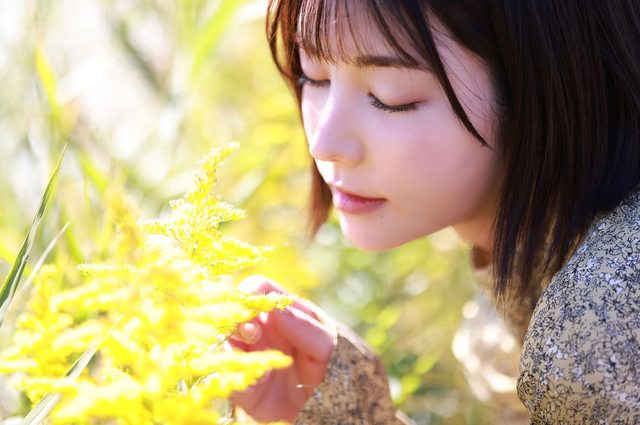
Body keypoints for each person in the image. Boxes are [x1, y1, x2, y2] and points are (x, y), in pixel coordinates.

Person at [229, 0, 640, 423]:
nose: (324, 144)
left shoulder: (600, 324)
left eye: (390, 97)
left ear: (540, 80)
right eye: (312, 76)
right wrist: (351, 413)